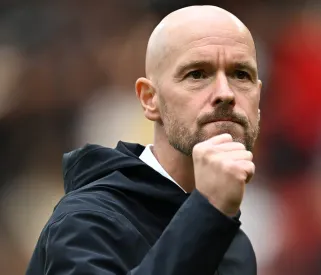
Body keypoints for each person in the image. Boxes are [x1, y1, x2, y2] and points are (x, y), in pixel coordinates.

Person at [26, 5, 262, 275]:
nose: (226, 93)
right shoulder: (86, 222)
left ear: (258, 97)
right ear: (150, 99)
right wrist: (208, 211)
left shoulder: (235, 245)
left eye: (241, 74)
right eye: (197, 74)